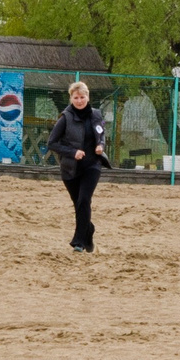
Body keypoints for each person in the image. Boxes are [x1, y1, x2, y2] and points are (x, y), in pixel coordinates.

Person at [48, 79, 108, 252]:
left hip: (92, 166)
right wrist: (72, 152)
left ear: (87, 97)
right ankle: (88, 230)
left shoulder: (96, 115)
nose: (79, 100)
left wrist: (100, 146)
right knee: (79, 205)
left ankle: (79, 242)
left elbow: (102, 135)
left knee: (84, 200)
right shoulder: (65, 118)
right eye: (76, 97)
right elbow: (52, 143)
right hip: (70, 169)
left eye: (82, 97)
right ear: (71, 99)